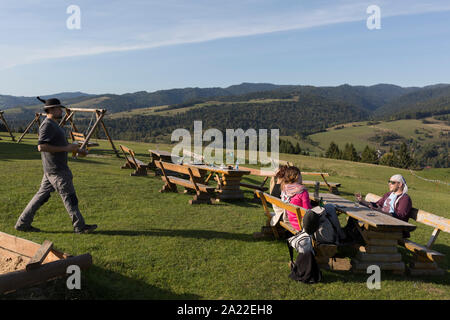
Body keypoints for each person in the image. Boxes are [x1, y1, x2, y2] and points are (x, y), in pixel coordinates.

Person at [14, 97, 97, 234]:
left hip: (51, 170)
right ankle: (80, 227)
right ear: (51, 110)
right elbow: (41, 147)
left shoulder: (53, 124)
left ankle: (22, 224)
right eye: (59, 108)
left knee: (40, 197)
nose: (61, 111)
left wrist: (77, 150)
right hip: (57, 170)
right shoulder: (47, 125)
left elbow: (62, 146)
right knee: (70, 197)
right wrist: (66, 149)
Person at [349, 174, 413, 239]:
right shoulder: (389, 194)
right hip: (381, 219)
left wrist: (381, 212)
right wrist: (362, 201)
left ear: (400, 184)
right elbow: (378, 204)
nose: (389, 184)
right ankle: (351, 235)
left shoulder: (405, 199)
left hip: (393, 226)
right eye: (389, 182)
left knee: (362, 219)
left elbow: (400, 217)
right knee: (355, 214)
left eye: (393, 182)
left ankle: (354, 237)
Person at [280, 166, 312, 231]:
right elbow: (307, 212)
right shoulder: (302, 191)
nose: (301, 177)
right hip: (300, 224)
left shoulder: (285, 188)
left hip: (289, 219)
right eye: (300, 175)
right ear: (297, 177)